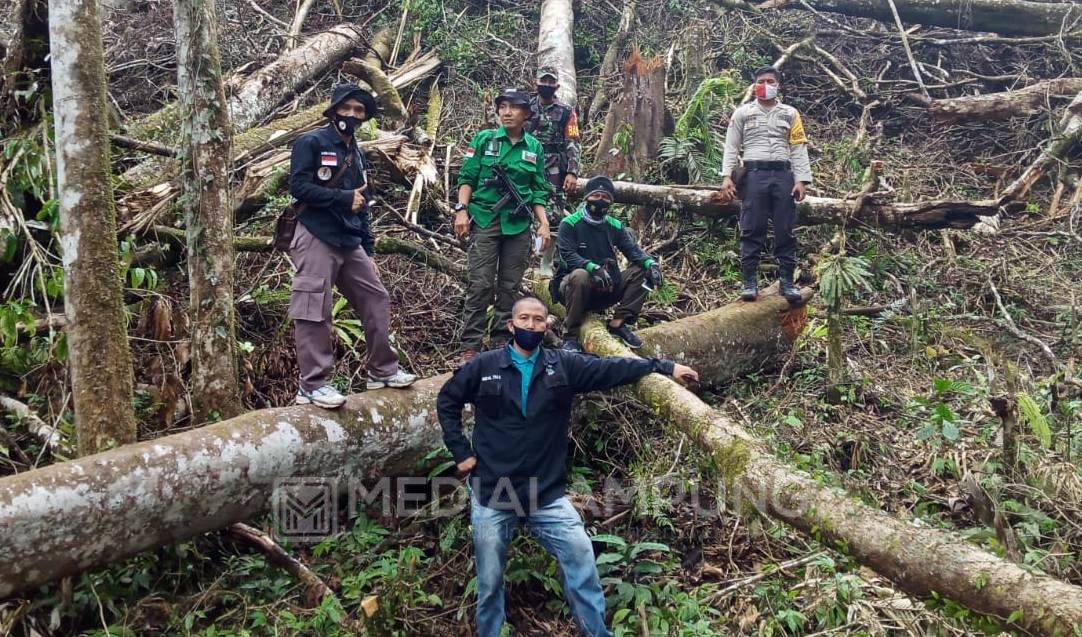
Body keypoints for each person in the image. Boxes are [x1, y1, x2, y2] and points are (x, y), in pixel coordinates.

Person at [437, 296, 698, 637]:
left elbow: (612, 369)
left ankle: (595, 632)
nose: (531, 325)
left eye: (538, 320)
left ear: (547, 326)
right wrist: (460, 451)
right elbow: (447, 400)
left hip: (545, 493)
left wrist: (662, 366)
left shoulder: (563, 365)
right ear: (511, 325)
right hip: (493, 492)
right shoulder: (484, 366)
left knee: (581, 559)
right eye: (524, 319)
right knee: (489, 580)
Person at [287, 83, 416, 408]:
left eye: (360, 111)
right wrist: (343, 198)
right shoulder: (312, 142)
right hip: (316, 233)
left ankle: (382, 371)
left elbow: (364, 203)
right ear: (334, 111)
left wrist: (368, 250)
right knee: (314, 307)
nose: (352, 115)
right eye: (347, 108)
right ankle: (312, 385)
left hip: (349, 239)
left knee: (376, 297)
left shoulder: (356, 152)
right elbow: (299, 187)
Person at [454, 88, 553, 363]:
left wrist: (543, 224)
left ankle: (500, 340)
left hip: (518, 226)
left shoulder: (534, 147)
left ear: (526, 114)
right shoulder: (485, 140)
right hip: (486, 219)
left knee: (510, 286)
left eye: (514, 107)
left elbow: (538, 191)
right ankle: (471, 346)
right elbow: (467, 177)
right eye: (503, 107)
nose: (507, 112)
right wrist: (461, 210)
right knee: (480, 284)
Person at [719, 66, 812, 304]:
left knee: (785, 229)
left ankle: (787, 283)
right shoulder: (742, 113)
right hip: (754, 175)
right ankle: (749, 283)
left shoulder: (790, 113)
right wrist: (726, 176)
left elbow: (798, 147)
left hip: (783, 176)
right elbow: (731, 146)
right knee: (752, 227)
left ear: (778, 84)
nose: (765, 84)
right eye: (761, 81)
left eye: (770, 81)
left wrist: (801, 179)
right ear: (754, 85)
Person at [551, 176, 662, 352]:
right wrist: (592, 268)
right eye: (596, 196)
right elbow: (567, 255)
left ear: (611, 201)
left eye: (605, 197)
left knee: (643, 271)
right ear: (587, 198)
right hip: (574, 290)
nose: (601, 200)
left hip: (606, 289)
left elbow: (633, 251)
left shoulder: (615, 226)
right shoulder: (570, 223)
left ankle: (619, 323)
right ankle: (570, 336)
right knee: (581, 275)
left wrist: (652, 264)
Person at [525, 66, 581, 276]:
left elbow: (573, 141)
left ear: (556, 85)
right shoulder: (524, 105)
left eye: (551, 82)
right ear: (536, 82)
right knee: (523, 209)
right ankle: (527, 260)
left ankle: (545, 263)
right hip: (526, 165)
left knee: (554, 215)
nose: (547, 85)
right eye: (543, 81)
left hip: (554, 169)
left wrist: (572, 172)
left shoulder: (566, 110)